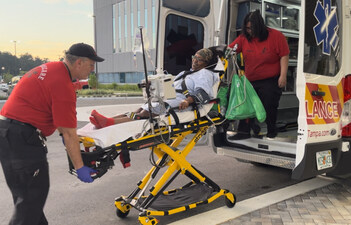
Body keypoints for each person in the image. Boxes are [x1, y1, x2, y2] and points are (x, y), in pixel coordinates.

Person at [0, 43, 104, 225]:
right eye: (91, 65)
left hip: (9, 134)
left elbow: (44, 97)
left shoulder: (52, 69)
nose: (92, 69)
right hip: (23, 142)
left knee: (29, 202)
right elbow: (69, 133)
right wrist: (80, 167)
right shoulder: (62, 84)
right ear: (79, 62)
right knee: (30, 203)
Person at [90, 48, 219, 129]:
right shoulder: (186, 73)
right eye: (194, 57)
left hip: (182, 102)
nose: (195, 61)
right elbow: (170, 85)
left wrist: (187, 101)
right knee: (141, 109)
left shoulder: (205, 74)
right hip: (172, 97)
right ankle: (108, 120)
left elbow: (202, 94)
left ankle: (109, 123)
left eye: (200, 60)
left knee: (147, 113)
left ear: (206, 64)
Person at [228, 10, 289, 140]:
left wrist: (283, 76)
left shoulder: (276, 36)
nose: (250, 31)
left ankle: (271, 131)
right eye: (247, 28)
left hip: (270, 79)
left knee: (269, 105)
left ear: (260, 26)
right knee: (246, 104)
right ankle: (243, 132)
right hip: (251, 79)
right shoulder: (244, 38)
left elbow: (284, 55)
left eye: (252, 28)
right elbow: (231, 49)